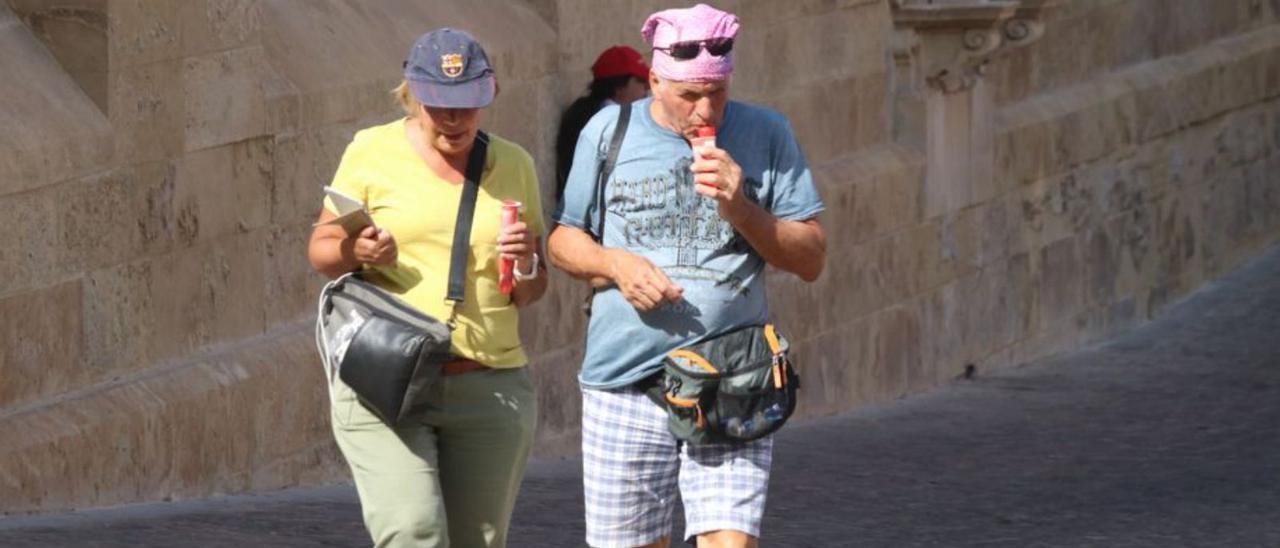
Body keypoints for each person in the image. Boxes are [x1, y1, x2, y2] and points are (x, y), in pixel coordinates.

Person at [547, 4, 827, 548]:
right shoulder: (610, 130)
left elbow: (811, 258)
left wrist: (741, 206)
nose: (705, 111)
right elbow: (563, 239)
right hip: (623, 379)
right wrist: (614, 263)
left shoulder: (768, 133)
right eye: (688, 95)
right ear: (653, 80)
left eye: (716, 94)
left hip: (733, 379)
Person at [307, 27, 547, 548]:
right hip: (388, 378)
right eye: (439, 104)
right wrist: (358, 252)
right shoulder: (372, 150)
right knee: (414, 531)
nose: (453, 119)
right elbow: (322, 250)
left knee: (477, 542)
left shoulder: (515, 165)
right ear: (412, 94)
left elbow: (531, 290)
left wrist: (526, 262)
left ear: (489, 95)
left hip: (490, 382)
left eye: (467, 104)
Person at [555, 45, 651, 199]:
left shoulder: (582, 111)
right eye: (641, 81)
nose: (647, 88)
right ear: (619, 86)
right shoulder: (607, 122)